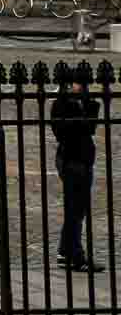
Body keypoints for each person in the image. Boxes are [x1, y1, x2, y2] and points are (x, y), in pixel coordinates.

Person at [52, 64, 104, 273]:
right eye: (77, 84)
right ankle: (76, 256)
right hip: (71, 159)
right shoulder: (62, 104)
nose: (81, 88)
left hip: (84, 158)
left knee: (78, 210)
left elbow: (90, 127)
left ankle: (65, 252)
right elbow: (64, 132)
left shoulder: (87, 103)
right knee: (75, 209)